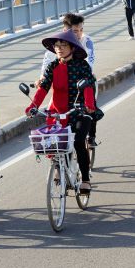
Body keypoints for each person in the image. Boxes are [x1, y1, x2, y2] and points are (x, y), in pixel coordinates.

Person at [26, 30, 98, 194]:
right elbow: (43, 88)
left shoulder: (82, 65)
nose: (59, 48)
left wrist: (88, 104)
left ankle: (85, 179)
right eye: (56, 46)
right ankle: (58, 165)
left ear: (72, 47)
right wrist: (33, 106)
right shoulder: (53, 66)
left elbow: (87, 86)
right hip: (58, 112)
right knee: (52, 143)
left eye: (63, 45)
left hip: (80, 111)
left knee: (79, 142)